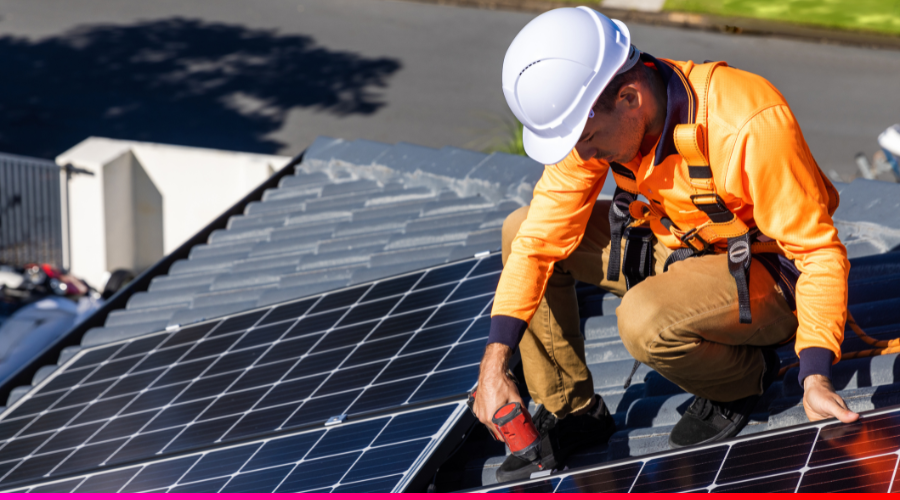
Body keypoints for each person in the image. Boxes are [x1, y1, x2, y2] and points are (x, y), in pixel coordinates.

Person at [473, 6, 859, 483]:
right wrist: (493, 366)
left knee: (643, 320)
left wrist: (815, 373)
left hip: (766, 278)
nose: (584, 156)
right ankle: (572, 410)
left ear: (630, 97)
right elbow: (535, 242)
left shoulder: (747, 122)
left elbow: (818, 254)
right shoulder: (601, 121)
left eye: (587, 138)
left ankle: (741, 379)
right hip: (680, 249)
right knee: (520, 227)